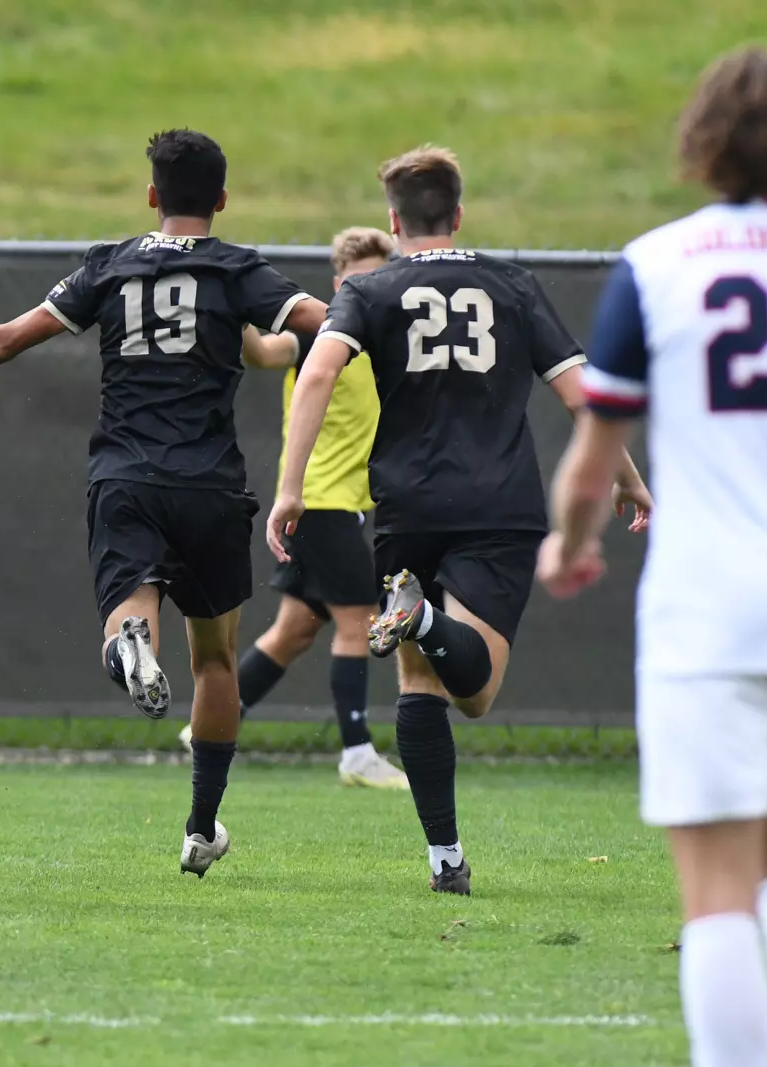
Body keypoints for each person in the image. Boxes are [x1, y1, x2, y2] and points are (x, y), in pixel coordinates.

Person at [0, 129, 327, 876]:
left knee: (130, 606)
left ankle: (126, 645)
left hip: (127, 476)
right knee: (214, 659)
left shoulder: (110, 266)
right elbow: (320, 323)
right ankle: (201, 825)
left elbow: (2, 341)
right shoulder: (240, 270)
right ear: (222, 200)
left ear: (151, 196)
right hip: (209, 483)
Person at [540, 48, 767, 1067]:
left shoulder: (657, 266)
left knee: (718, 894)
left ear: (701, 140)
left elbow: (593, 458)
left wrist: (569, 542)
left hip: (709, 611)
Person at [266, 145, 652, 895]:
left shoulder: (371, 290)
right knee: (473, 691)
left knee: (421, 683)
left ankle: (445, 858)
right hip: (497, 505)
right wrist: (629, 481)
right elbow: (583, 397)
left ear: (394, 219)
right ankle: (424, 621)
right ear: (460, 212)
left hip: (406, 506)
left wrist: (290, 487)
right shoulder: (510, 284)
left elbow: (316, 370)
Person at [179, 227, 406, 789]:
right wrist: (232, 304)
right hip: (316, 503)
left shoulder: (391, 342)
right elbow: (260, 351)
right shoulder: (320, 337)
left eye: (377, 277)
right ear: (337, 284)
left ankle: (204, 728)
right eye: (356, 280)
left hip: (342, 507)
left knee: (294, 630)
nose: (367, 289)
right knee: (359, 623)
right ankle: (357, 752)